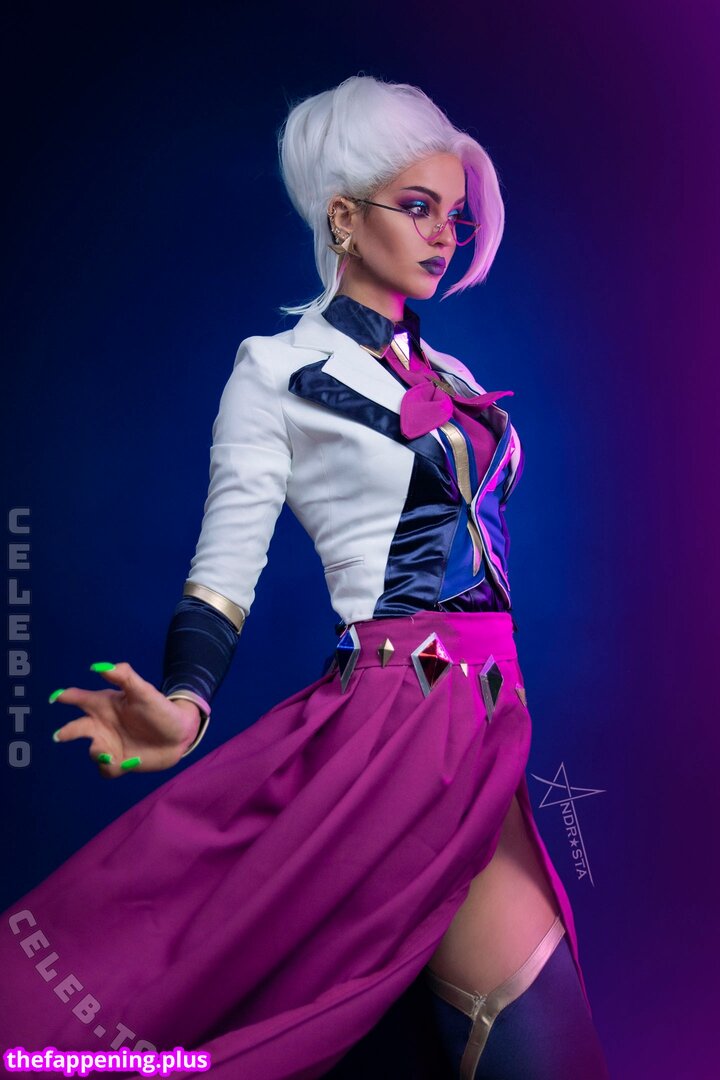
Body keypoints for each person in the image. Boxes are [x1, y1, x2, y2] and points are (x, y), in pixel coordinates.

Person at [0, 75, 610, 1079]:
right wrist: (186, 706)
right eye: (417, 207)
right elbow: (223, 572)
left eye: (455, 215)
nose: (443, 234)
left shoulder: (457, 377)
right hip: (390, 736)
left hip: (488, 732)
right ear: (343, 216)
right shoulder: (275, 369)